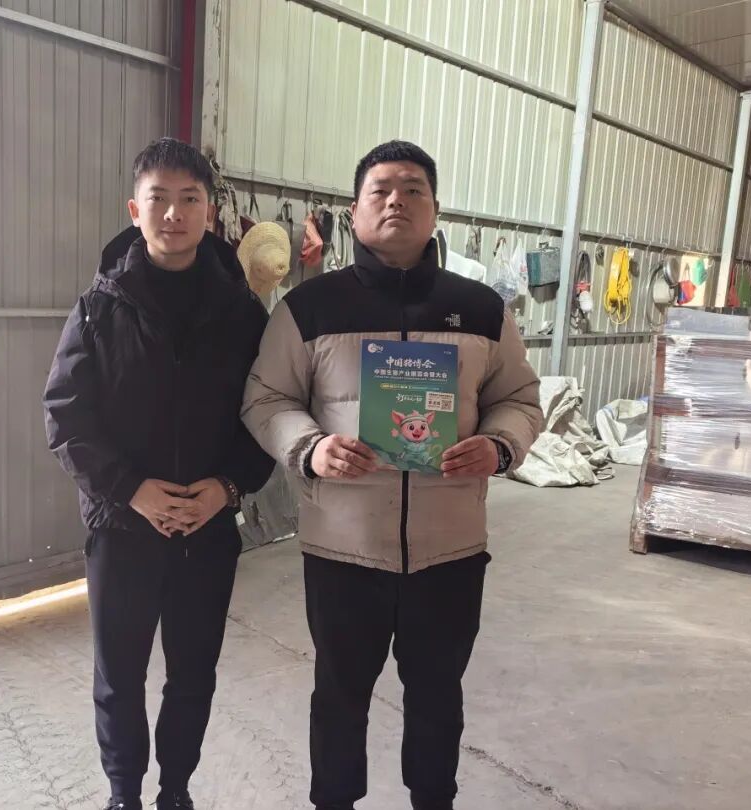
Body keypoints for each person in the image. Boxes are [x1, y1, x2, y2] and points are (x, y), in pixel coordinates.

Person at [241, 140, 543, 810]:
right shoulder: (309, 307)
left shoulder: (483, 309)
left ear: (435, 210)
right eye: (380, 190)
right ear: (354, 210)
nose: (396, 201)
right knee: (339, 696)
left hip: (449, 551)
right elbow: (265, 399)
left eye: (412, 190)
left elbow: (520, 400)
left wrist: (498, 446)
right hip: (343, 550)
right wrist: (311, 447)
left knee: (437, 696)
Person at [44, 137, 274, 810]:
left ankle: (175, 791)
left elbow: (267, 412)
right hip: (122, 529)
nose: (174, 213)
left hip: (208, 530)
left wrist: (227, 488)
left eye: (189, 199)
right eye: (160, 199)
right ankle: (124, 794)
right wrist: (130, 490)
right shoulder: (98, 308)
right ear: (134, 210)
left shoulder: (243, 315)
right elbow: (66, 416)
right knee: (119, 674)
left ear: (210, 212)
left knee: (193, 673)